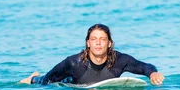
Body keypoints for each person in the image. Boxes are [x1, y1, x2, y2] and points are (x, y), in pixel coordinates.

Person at [20, 24, 165, 86]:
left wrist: (152, 73)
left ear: (109, 43)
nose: (98, 43)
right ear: (88, 43)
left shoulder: (120, 60)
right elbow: (49, 80)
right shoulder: (74, 63)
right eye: (94, 39)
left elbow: (143, 66)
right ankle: (32, 78)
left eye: (102, 39)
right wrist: (38, 82)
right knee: (43, 80)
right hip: (71, 83)